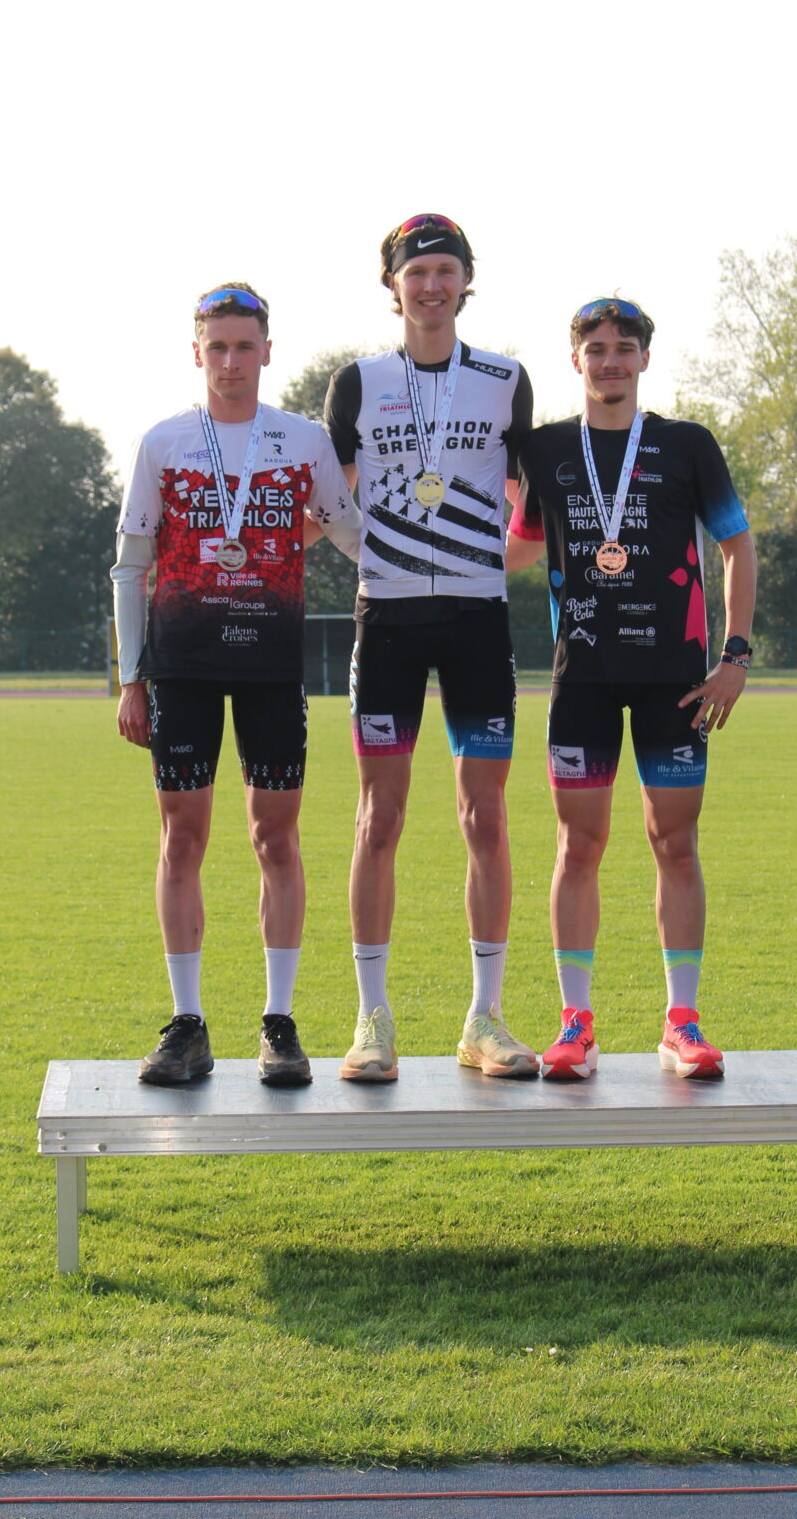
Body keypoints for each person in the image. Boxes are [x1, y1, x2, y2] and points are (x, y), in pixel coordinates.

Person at [114, 282, 361, 1090]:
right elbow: (130, 566)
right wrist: (130, 678)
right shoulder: (163, 443)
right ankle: (186, 1023)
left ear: (266, 352)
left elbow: (350, 531)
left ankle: (278, 1023)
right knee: (182, 840)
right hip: (181, 667)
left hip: (270, 666)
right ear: (196, 353)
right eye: (216, 347)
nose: (230, 361)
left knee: (275, 840)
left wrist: (431, 570)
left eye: (243, 346)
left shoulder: (303, 440)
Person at [506, 296, 756, 1080]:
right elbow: (519, 549)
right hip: (581, 679)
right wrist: (416, 541)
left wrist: (735, 654)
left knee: (675, 844)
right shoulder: (545, 449)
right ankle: (575, 1025)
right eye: (597, 348)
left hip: (674, 682)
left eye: (624, 347)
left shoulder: (687, 445)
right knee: (577, 847)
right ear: (575, 359)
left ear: (645, 358)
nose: (611, 360)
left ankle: (682, 1022)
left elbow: (738, 546)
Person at [323, 213, 538, 1082]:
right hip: (388, 624)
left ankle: (485, 1018)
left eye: (446, 270)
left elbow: (531, 504)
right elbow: (332, 500)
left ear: (465, 281)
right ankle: (371, 1020)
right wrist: (381, 556)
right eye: (417, 273)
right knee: (380, 819)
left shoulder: (504, 379)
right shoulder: (359, 382)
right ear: (394, 286)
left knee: (484, 818)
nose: (432, 285)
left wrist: (495, 562)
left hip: (478, 622)